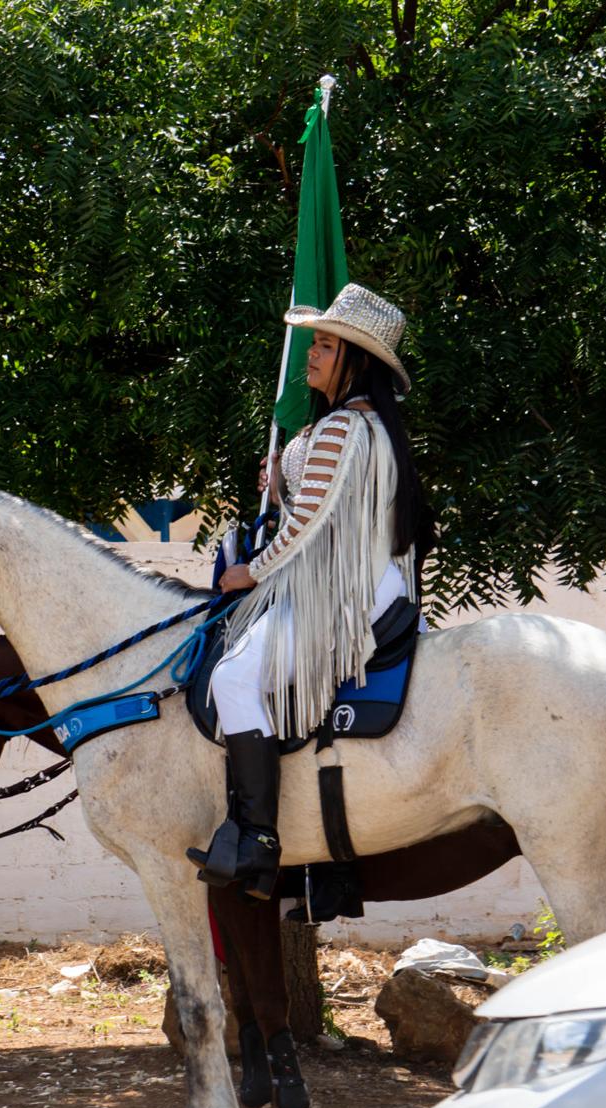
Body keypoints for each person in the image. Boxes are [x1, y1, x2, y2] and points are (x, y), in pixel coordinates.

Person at [189, 284, 434, 898]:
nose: (312, 355)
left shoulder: (344, 425)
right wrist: (280, 483)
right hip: (370, 585)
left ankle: (257, 838)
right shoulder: (363, 425)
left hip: (344, 593)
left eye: (325, 345)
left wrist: (251, 571)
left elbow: (306, 525)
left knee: (233, 678)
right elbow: (323, 505)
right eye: (315, 343)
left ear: (356, 358)